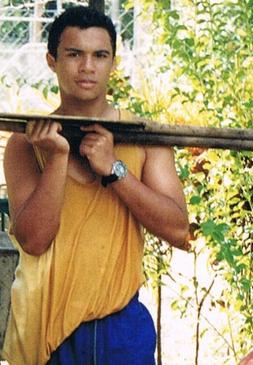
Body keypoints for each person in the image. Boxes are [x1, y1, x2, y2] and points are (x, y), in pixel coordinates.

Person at [1, 6, 189, 365]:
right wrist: (57, 159)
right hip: (43, 332)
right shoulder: (27, 143)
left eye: (100, 55)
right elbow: (35, 240)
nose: (87, 66)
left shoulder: (143, 137)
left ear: (113, 63)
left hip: (118, 324)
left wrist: (114, 170)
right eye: (74, 54)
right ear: (51, 60)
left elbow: (179, 229)